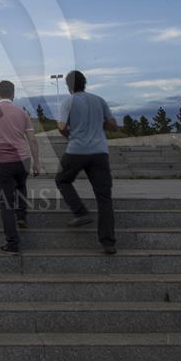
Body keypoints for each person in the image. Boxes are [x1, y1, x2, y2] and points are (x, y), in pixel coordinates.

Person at [54, 70, 118, 255]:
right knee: (104, 197)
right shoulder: (99, 100)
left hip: (77, 150)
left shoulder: (68, 102)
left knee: (62, 180)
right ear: (85, 83)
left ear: (68, 86)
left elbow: (62, 126)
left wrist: (70, 136)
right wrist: (99, 129)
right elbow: (112, 123)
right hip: (100, 152)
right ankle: (108, 242)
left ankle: (80, 212)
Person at [0, 80, 41, 253]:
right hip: (23, 159)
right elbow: (32, 139)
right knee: (21, 185)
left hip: (2, 162)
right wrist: (37, 163)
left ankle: (12, 242)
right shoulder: (22, 113)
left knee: (6, 203)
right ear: (13, 94)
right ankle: (22, 216)